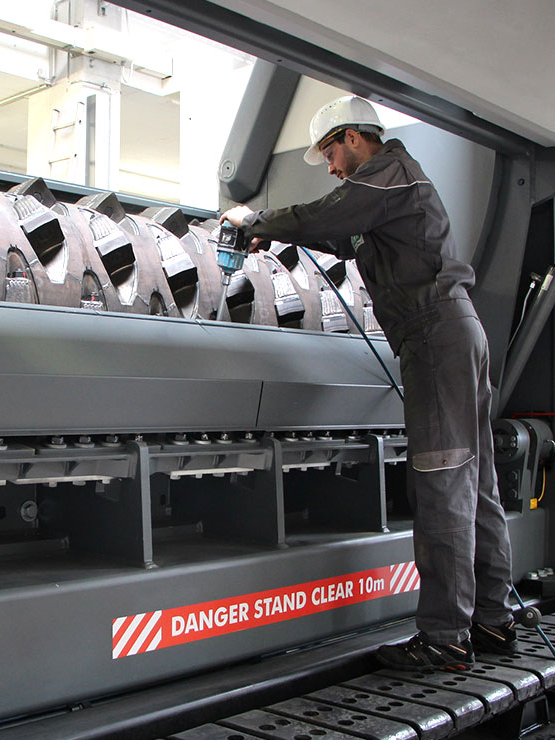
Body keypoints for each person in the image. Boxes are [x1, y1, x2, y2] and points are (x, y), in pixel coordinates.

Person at [221, 95, 517, 671]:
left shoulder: (389, 173)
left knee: (441, 483)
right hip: (450, 334)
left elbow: (330, 214)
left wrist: (256, 220)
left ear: (354, 137)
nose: (331, 166)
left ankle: (445, 637)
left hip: (435, 336)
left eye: (331, 153)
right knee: (474, 480)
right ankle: (491, 620)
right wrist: (276, 236)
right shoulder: (384, 192)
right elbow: (340, 234)